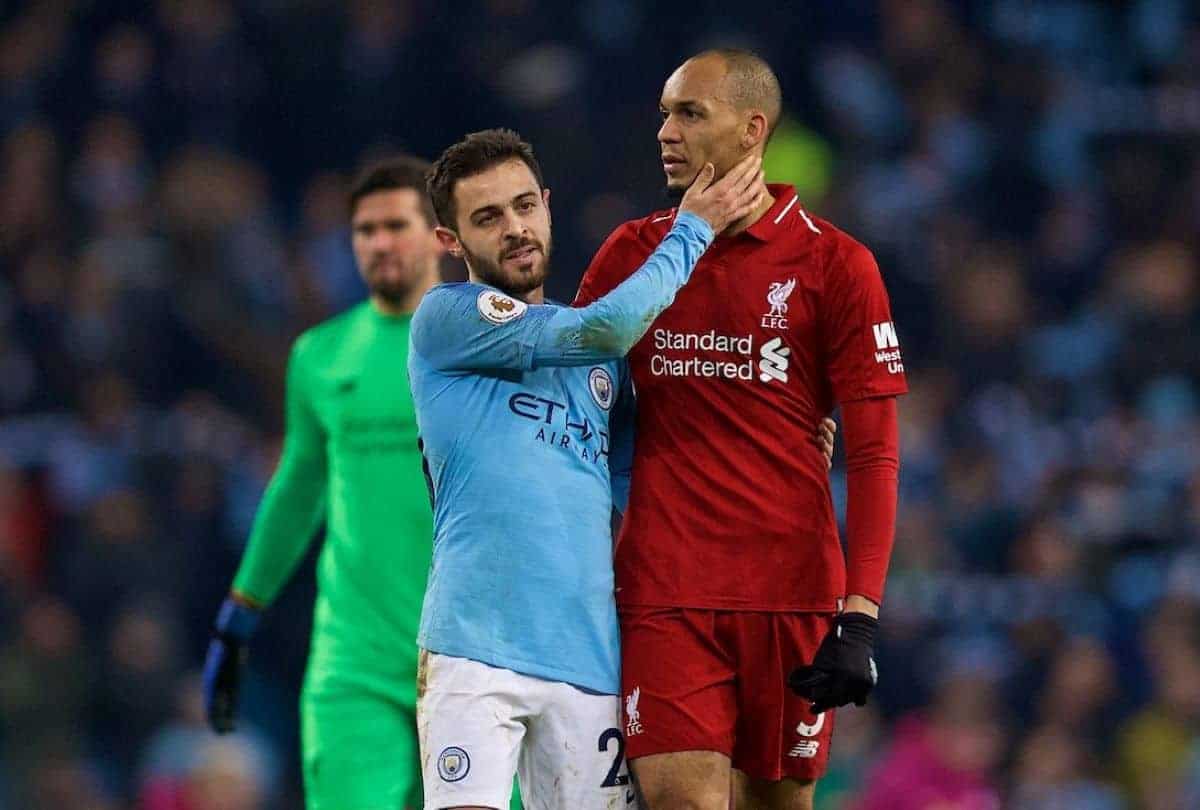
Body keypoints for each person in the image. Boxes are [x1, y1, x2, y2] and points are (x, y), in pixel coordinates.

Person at [573, 49, 907, 810]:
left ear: (753, 129)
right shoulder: (632, 254)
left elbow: (878, 453)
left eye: (690, 113)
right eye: (664, 112)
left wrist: (859, 615)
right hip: (664, 591)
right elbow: (574, 406)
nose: (666, 130)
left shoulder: (838, 265)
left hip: (792, 595)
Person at [407, 128, 766, 810]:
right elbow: (603, 328)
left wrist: (785, 440)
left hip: (589, 661)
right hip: (474, 649)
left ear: (546, 204)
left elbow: (661, 474)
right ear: (450, 242)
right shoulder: (448, 320)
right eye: (487, 218)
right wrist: (691, 231)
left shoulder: (602, 367)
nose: (514, 229)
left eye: (522, 207)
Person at [201, 156, 494, 810]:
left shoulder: (494, 343)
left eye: (396, 225)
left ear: (440, 235)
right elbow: (298, 490)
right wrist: (238, 615)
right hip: (353, 666)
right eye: (365, 231)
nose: (379, 243)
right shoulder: (320, 356)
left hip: (476, 662)